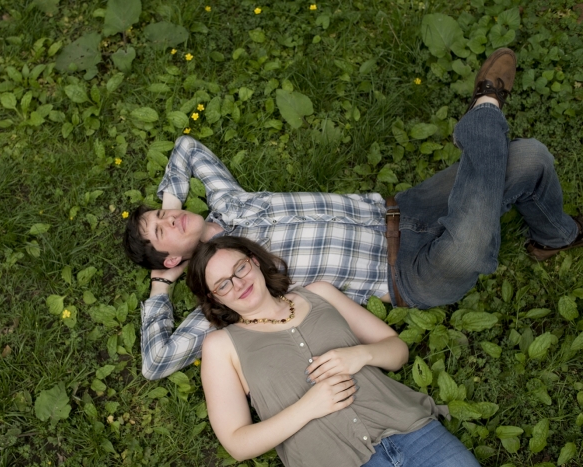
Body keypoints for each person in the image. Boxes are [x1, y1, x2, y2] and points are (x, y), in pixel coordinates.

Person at [123, 48, 583, 380]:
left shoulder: (230, 202)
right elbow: (155, 362)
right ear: (169, 259)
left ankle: (554, 237)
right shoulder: (225, 287)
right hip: (408, 275)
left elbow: (186, 148)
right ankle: (486, 106)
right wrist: (162, 288)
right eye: (161, 233)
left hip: (403, 208)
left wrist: (170, 204)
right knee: (467, 248)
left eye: (161, 216)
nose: (169, 221)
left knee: (531, 158)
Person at [186, 235, 481, 467]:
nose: (239, 284)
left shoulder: (319, 294)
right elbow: (238, 444)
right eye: (223, 284)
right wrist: (308, 407)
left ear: (254, 262)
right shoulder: (221, 346)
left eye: (240, 268)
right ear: (215, 298)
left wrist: (360, 355)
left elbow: (397, 351)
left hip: (413, 431)